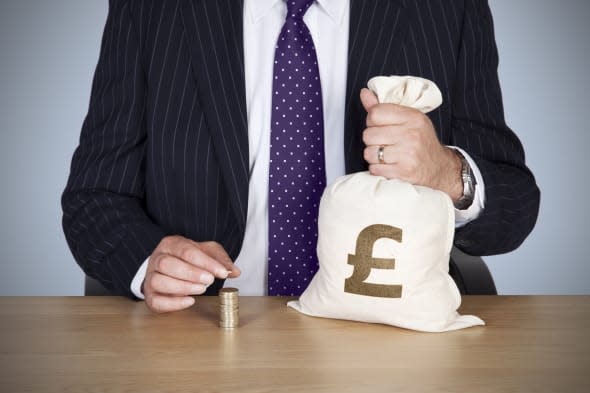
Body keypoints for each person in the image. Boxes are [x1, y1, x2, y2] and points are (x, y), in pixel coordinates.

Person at [62, 0, 540, 313]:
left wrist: (446, 173)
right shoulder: (152, 9)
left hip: (388, 328)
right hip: (207, 325)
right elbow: (95, 197)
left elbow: (514, 209)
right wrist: (150, 262)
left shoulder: (446, 9)